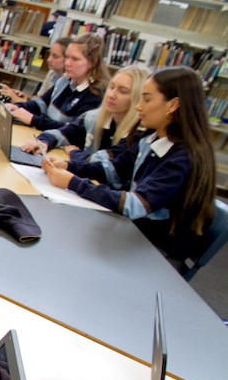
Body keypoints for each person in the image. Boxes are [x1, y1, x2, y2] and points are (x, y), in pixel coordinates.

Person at [42, 66, 217, 269]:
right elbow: (113, 171)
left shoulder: (183, 157)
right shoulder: (151, 139)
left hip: (158, 252)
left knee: (70, 249)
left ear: (173, 105)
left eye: (147, 99)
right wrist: (69, 166)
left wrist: (73, 182)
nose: (138, 107)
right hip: (135, 231)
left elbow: (134, 205)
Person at [21, 65, 150, 158]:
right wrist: (45, 141)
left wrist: (74, 154)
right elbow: (65, 133)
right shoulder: (94, 118)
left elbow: (105, 166)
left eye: (123, 91)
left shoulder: (138, 135)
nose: (111, 94)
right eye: (112, 87)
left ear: (139, 98)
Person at [6, 32, 110, 131]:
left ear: (92, 62)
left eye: (75, 59)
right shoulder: (64, 81)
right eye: (67, 57)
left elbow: (74, 131)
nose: (68, 63)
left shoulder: (96, 95)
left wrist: (34, 120)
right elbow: (41, 104)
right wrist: (15, 107)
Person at [0, 37, 71, 103]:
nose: (48, 60)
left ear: (67, 59)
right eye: (50, 55)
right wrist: (25, 96)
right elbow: (41, 99)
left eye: (55, 56)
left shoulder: (69, 83)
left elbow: (47, 109)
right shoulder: (52, 73)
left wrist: (20, 101)